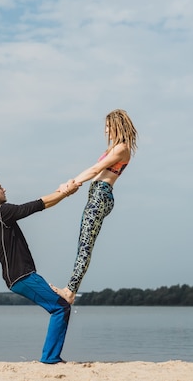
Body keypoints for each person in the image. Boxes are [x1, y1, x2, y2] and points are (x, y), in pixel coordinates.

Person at [0, 175, 80, 364]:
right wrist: (65, 192)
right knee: (60, 308)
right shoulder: (0, 213)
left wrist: (64, 193)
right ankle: (50, 358)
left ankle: (51, 356)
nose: (3, 189)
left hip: (22, 276)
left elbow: (42, 205)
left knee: (60, 306)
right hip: (21, 277)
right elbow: (37, 205)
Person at [52, 109, 138, 305]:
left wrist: (70, 183)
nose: (106, 131)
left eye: (108, 127)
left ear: (117, 126)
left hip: (100, 195)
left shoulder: (122, 149)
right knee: (83, 243)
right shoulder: (115, 149)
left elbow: (95, 169)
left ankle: (70, 292)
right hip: (97, 195)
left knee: (85, 245)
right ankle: (70, 290)